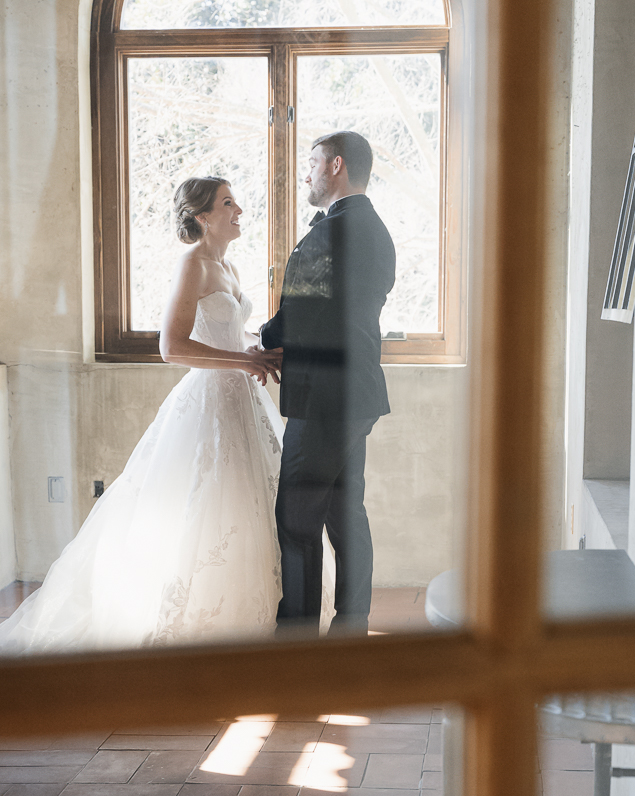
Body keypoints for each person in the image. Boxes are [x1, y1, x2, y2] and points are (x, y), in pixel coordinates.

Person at [0, 176, 287, 654]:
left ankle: (253, 621)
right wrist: (243, 360)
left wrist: (253, 349)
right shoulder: (192, 264)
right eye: (228, 203)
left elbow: (227, 335)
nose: (240, 210)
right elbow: (171, 347)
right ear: (201, 216)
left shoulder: (229, 266)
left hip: (244, 400)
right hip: (209, 403)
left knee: (252, 506)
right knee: (203, 507)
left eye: (237, 201)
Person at [259, 131, 396, 634]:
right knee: (345, 513)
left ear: (335, 165)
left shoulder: (329, 232)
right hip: (358, 394)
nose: (307, 172)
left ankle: (296, 642)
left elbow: (298, 311)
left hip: (323, 396)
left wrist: (262, 340)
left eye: (312, 162)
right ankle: (351, 629)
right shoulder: (376, 229)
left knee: (296, 520)